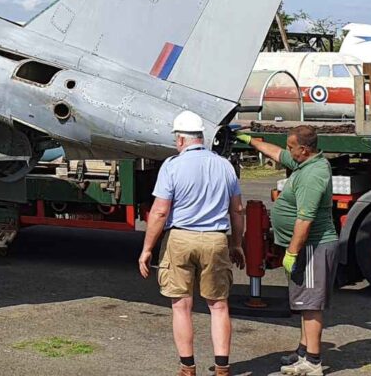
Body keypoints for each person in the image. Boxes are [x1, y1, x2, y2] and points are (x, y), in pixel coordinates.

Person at [139, 110, 245, 376]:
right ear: (201, 137)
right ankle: (222, 369)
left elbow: (160, 212)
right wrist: (237, 243)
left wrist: (147, 249)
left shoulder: (172, 166)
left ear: (181, 140)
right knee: (219, 305)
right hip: (215, 239)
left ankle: (188, 368)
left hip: (180, 238)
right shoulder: (224, 166)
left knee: (181, 305)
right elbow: (237, 210)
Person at [236, 126, 337, 376]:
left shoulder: (313, 175)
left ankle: (312, 362)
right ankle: (304, 350)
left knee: (311, 303)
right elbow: (277, 153)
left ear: (303, 149)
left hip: (313, 246)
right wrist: (252, 142)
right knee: (303, 301)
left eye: (292, 147)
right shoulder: (305, 161)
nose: (289, 151)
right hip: (305, 247)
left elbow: (305, 219)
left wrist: (291, 253)